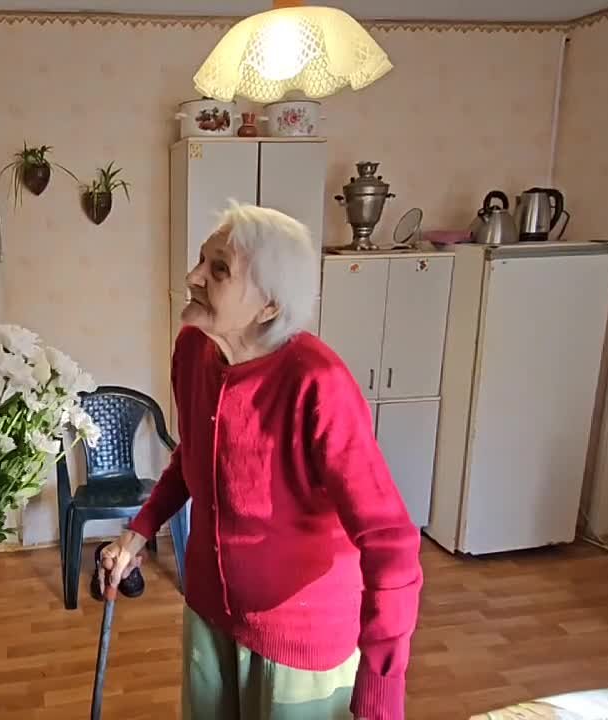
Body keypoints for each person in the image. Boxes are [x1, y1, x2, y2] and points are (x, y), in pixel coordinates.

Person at [100, 203, 423, 720]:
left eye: (218, 269)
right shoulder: (193, 350)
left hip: (300, 638)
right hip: (209, 612)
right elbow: (194, 456)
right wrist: (138, 532)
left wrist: (382, 683)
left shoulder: (318, 383)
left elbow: (391, 542)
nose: (193, 277)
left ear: (269, 306)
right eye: (201, 260)